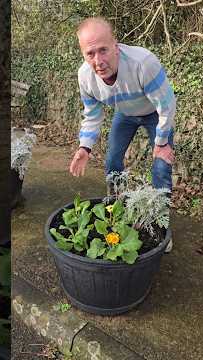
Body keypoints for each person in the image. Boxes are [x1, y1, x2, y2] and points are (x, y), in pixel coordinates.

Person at [68, 17, 176, 251]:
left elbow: (167, 106)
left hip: (155, 113)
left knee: (160, 167)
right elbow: (93, 114)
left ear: (115, 45)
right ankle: (115, 211)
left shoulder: (143, 63)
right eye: (90, 53)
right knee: (112, 161)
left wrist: (162, 143)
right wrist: (84, 147)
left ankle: (160, 226)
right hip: (125, 114)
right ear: (83, 55)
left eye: (103, 50)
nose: (98, 61)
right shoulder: (85, 77)